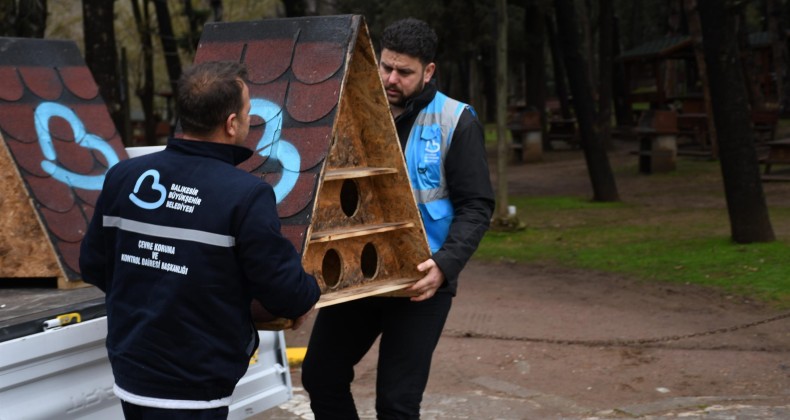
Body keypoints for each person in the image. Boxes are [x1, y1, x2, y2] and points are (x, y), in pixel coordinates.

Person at [79, 61, 320, 419]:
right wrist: (309, 292)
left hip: (133, 371)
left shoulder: (122, 176)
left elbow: (94, 266)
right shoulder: (246, 195)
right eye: (247, 112)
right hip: (198, 384)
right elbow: (284, 289)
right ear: (231, 124)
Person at [301, 17, 495, 419]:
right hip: (360, 273)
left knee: (397, 404)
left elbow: (477, 206)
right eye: (384, 66)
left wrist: (445, 266)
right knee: (320, 375)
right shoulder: (350, 111)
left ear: (428, 72)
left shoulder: (455, 121)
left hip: (422, 282)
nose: (390, 78)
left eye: (404, 72)